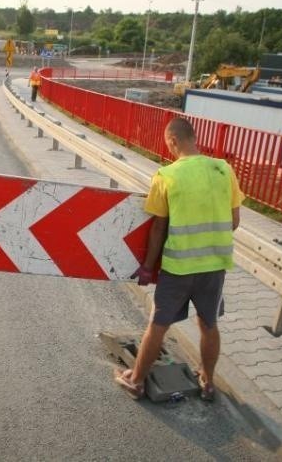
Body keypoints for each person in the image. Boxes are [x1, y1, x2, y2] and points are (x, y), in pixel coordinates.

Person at [114, 117, 244, 402]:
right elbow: (234, 220)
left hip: (179, 266)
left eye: (168, 144)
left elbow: (158, 228)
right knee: (209, 324)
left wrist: (148, 267)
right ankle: (208, 383)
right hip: (215, 266)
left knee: (158, 325)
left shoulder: (166, 175)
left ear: (173, 141)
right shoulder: (224, 169)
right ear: (194, 138)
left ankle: (135, 381)